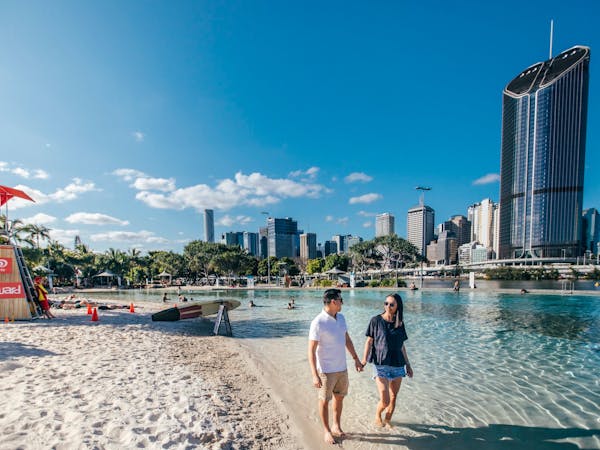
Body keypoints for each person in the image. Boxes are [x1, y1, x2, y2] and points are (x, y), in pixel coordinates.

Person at [308, 288, 363, 445]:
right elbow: (311, 351)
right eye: (340, 300)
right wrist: (314, 374)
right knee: (324, 400)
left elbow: (347, 340)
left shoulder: (342, 318)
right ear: (333, 302)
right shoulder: (318, 322)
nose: (342, 302)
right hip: (325, 371)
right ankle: (326, 431)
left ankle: (336, 425)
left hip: (342, 369)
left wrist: (356, 359)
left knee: (339, 398)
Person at [361, 293, 413, 428]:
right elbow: (369, 341)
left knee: (394, 397)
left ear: (397, 307)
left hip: (397, 364)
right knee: (385, 400)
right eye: (386, 303)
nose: (388, 306)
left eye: (391, 304)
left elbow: (401, 345)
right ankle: (378, 415)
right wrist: (364, 360)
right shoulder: (376, 320)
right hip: (380, 364)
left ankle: (388, 419)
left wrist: (408, 364)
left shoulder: (400, 324)